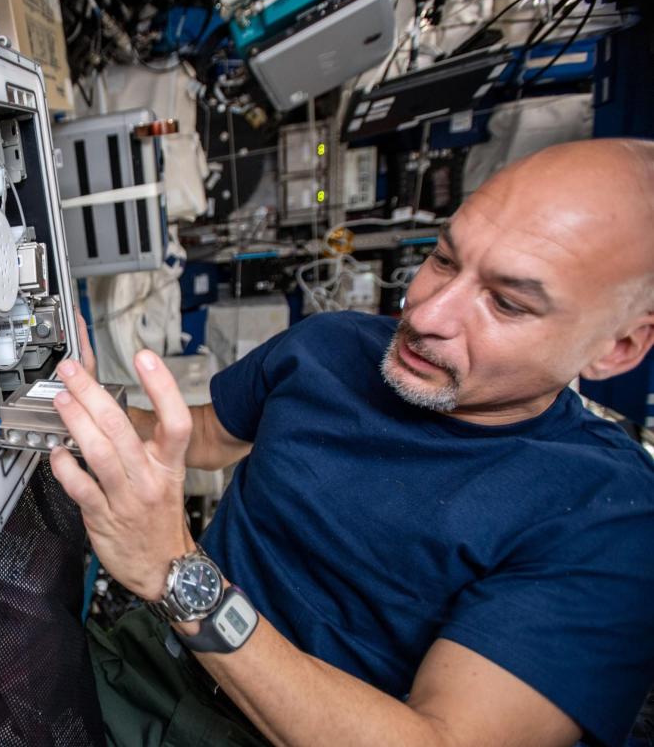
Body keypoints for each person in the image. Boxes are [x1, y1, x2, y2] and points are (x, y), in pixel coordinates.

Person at [50, 138, 654, 747]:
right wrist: (77, 390)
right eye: (444, 259)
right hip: (144, 659)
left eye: (506, 302)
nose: (425, 313)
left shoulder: (610, 518)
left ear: (618, 348)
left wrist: (176, 571)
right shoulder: (330, 347)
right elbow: (206, 437)